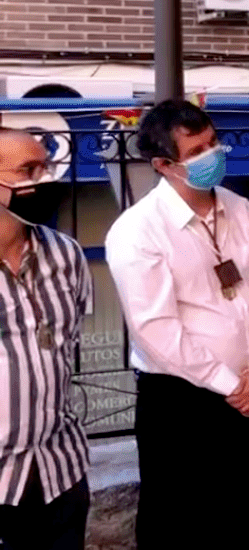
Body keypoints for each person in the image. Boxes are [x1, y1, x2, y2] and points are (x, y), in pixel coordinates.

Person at [106, 100, 249, 550]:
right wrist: (231, 385)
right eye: (197, 151)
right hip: (184, 406)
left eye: (213, 143)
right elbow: (157, 329)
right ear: (165, 165)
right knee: (181, 526)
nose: (213, 156)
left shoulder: (239, 208)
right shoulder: (138, 230)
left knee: (243, 517)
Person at [0, 129, 90, 550]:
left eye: (46, 167)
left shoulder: (67, 255)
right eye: (28, 170)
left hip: (61, 470)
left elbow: (67, 344)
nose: (45, 179)